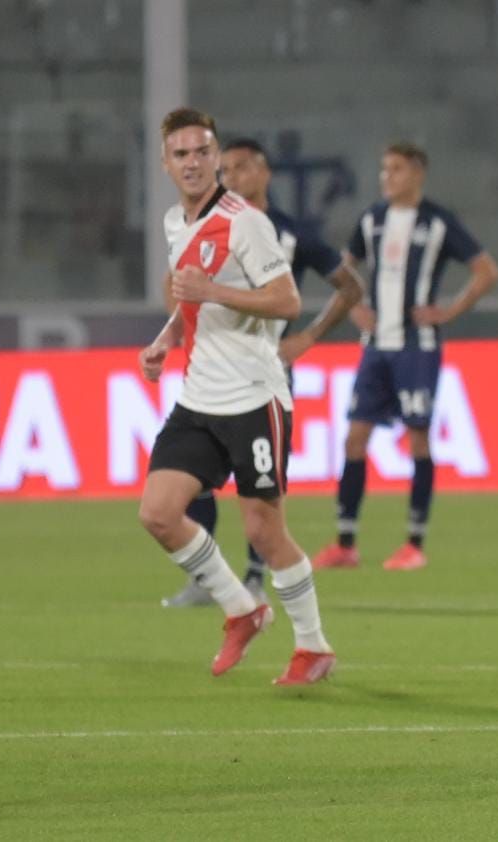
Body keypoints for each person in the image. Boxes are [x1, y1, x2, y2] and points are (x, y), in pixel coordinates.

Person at [137, 107, 336, 685]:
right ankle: (242, 610)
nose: (193, 163)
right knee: (158, 513)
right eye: (181, 154)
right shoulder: (177, 222)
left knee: (263, 531)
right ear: (167, 164)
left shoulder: (244, 221)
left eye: (202, 152)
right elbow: (190, 303)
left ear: (216, 156)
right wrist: (164, 341)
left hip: (254, 396)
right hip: (200, 395)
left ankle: (313, 646)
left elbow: (287, 300)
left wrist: (212, 290)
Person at [161, 137, 363, 608]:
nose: (233, 176)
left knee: (260, 491)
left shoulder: (291, 234)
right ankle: (206, 579)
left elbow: (349, 287)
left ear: (265, 172)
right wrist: (177, 330)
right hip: (208, 372)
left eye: (243, 167)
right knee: (191, 476)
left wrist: (308, 338)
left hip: (262, 374)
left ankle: (254, 576)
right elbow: (176, 282)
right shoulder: (206, 225)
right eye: (226, 168)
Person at [311, 142, 498, 572]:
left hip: (419, 347)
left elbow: (487, 270)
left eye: (395, 169)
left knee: (417, 438)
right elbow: (344, 270)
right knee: (354, 439)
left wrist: (448, 311)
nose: (386, 177)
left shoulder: (438, 222)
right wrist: (356, 310)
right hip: (376, 347)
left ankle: (413, 544)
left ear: (417, 173)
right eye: (383, 169)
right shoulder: (372, 219)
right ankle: (345, 543)